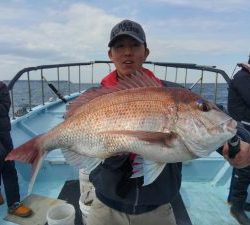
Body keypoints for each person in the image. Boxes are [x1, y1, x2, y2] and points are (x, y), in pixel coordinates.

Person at [86, 19, 184, 225]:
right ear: (110, 55)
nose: (127, 52)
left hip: (156, 208)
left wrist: (237, 141)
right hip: (106, 204)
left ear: (146, 52)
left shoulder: (172, 94)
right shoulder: (93, 98)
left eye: (134, 45)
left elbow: (213, 117)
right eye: (119, 46)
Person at [0, 81, 32, 217]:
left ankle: (14, 204)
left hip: (3, 134)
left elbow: (4, 107)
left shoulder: (1, 87)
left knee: (9, 167)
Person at [225, 57, 250, 225]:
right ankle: (237, 207)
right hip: (241, 127)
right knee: (245, 168)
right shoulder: (243, 77)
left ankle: (233, 198)